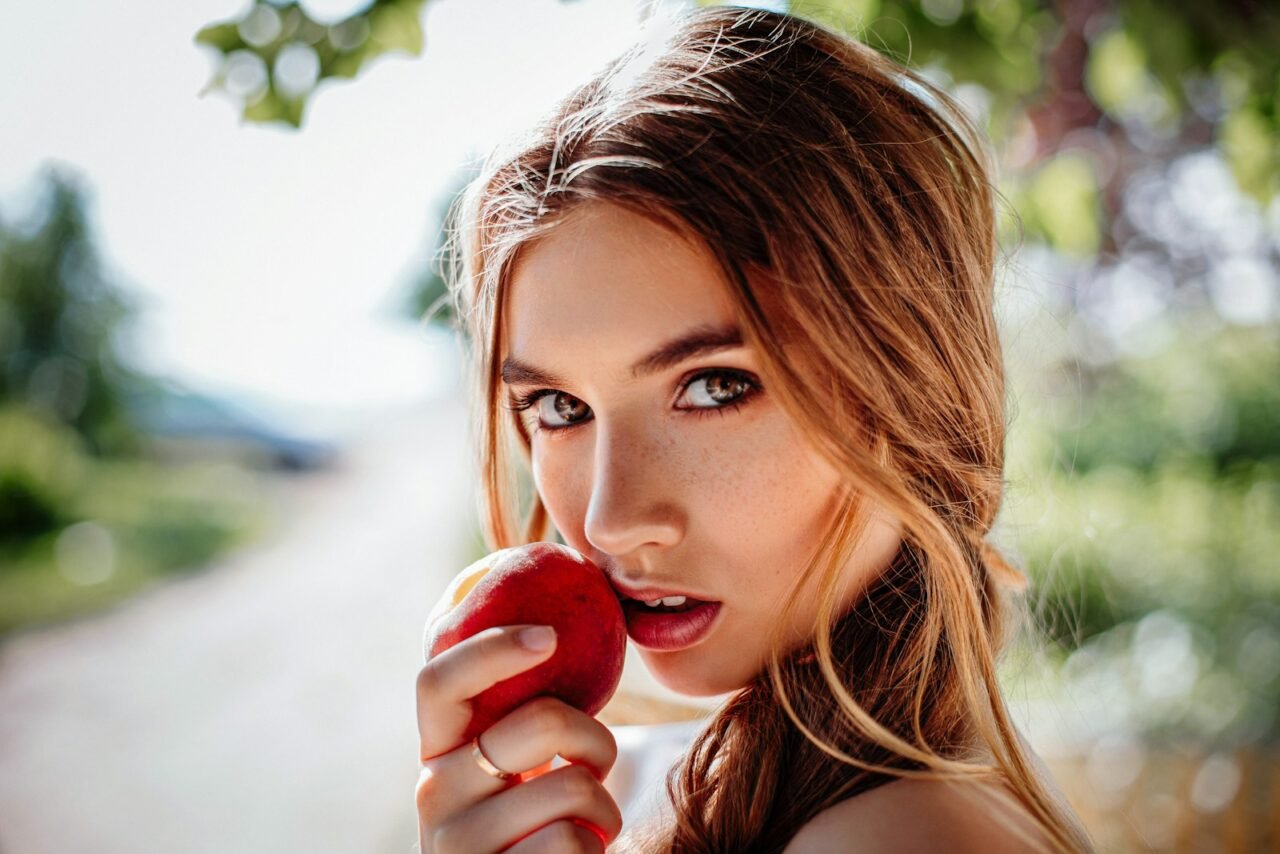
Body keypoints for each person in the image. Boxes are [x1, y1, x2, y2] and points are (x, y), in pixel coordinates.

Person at [414, 5, 1095, 852]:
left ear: (913, 388)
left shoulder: (896, 837)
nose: (607, 519)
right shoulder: (639, 785)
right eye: (560, 409)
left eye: (715, 385)